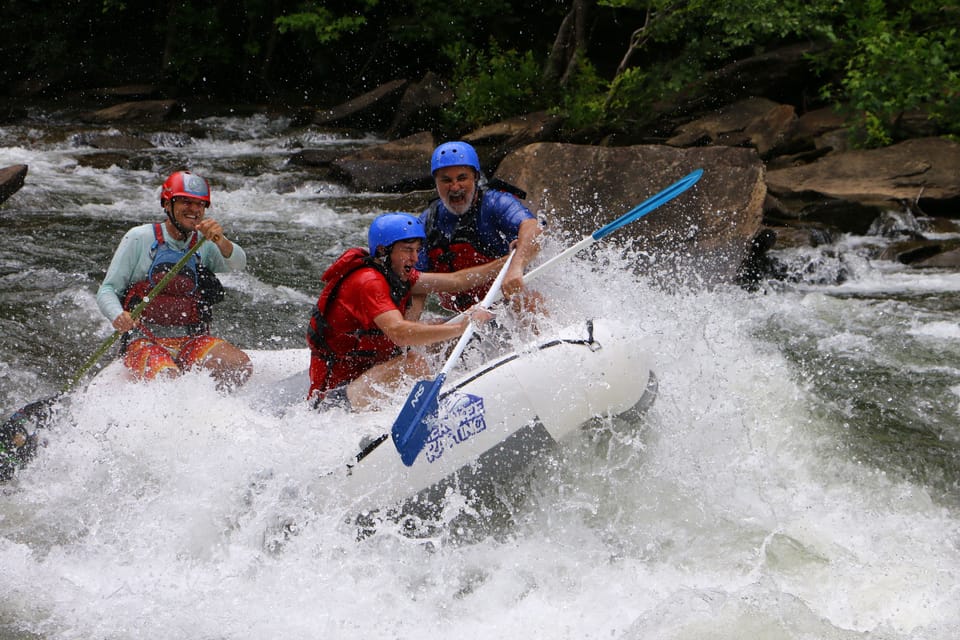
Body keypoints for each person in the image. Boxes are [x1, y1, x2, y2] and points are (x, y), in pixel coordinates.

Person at [307, 212, 505, 411]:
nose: (415, 258)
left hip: (364, 376)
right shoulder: (368, 282)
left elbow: (457, 281)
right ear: (384, 251)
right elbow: (399, 333)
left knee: (439, 334)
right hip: (333, 400)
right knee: (413, 362)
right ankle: (436, 410)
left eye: (417, 250)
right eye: (408, 250)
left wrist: (508, 262)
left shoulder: (396, 273)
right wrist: (460, 327)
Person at [96, 170, 252, 389]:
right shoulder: (139, 237)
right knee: (168, 380)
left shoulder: (205, 243)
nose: (194, 209)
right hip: (143, 340)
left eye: (200, 204)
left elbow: (238, 263)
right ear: (167, 205)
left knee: (239, 365)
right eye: (186, 202)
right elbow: (107, 290)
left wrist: (220, 239)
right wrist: (118, 315)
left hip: (191, 339)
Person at [417, 140, 544, 313]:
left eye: (462, 178)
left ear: (475, 177)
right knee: (430, 328)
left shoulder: (495, 203)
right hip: (460, 319)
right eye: (446, 180)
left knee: (530, 301)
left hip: (505, 307)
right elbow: (416, 283)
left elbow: (533, 227)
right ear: (436, 183)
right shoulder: (427, 222)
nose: (455, 187)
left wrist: (516, 266)